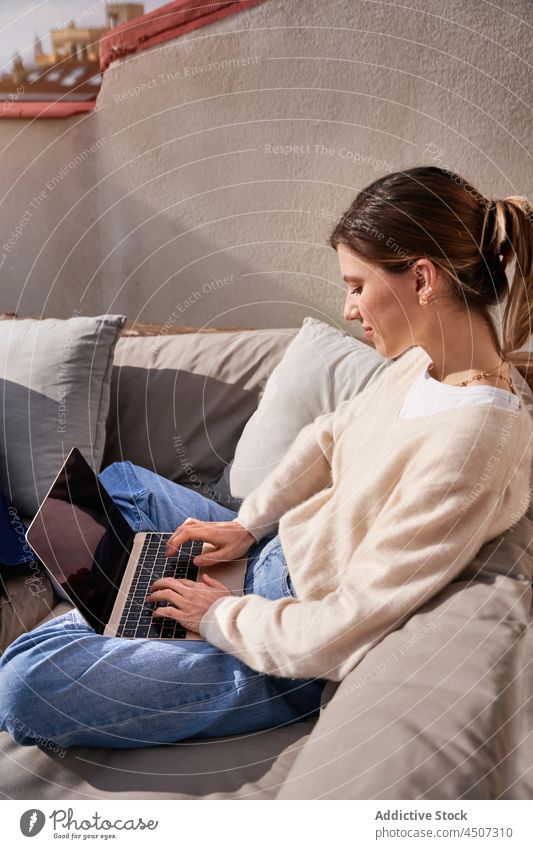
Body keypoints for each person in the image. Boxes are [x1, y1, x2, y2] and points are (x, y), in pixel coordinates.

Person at [1, 165, 532, 751]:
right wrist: (245, 525)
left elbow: (346, 624)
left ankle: (128, 608)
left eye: (357, 285)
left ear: (423, 279)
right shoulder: (424, 364)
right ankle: (131, 597)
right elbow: (329, 438)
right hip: (272, 557)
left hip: (284, 647)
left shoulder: (474, 440)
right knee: (121, 482)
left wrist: (216, 618)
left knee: (25, 683)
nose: (350, 308)